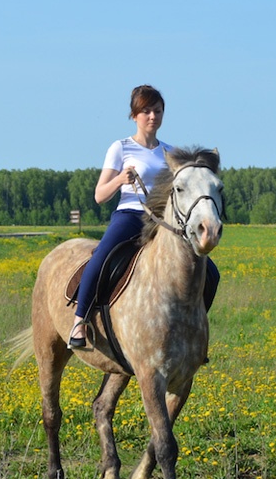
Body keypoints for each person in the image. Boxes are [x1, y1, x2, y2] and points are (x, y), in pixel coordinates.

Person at [70, 84, 222, 350]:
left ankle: (195, 332)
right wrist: (120, 179)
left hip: (165, 222)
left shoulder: (172, 153)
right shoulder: (121, 147)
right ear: (134, 115)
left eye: (158, 111)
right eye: (146, 111)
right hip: (130, 214)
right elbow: (99, 195)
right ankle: (80, 321)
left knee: (210, 271)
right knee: (103, 255)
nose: (153, 116)